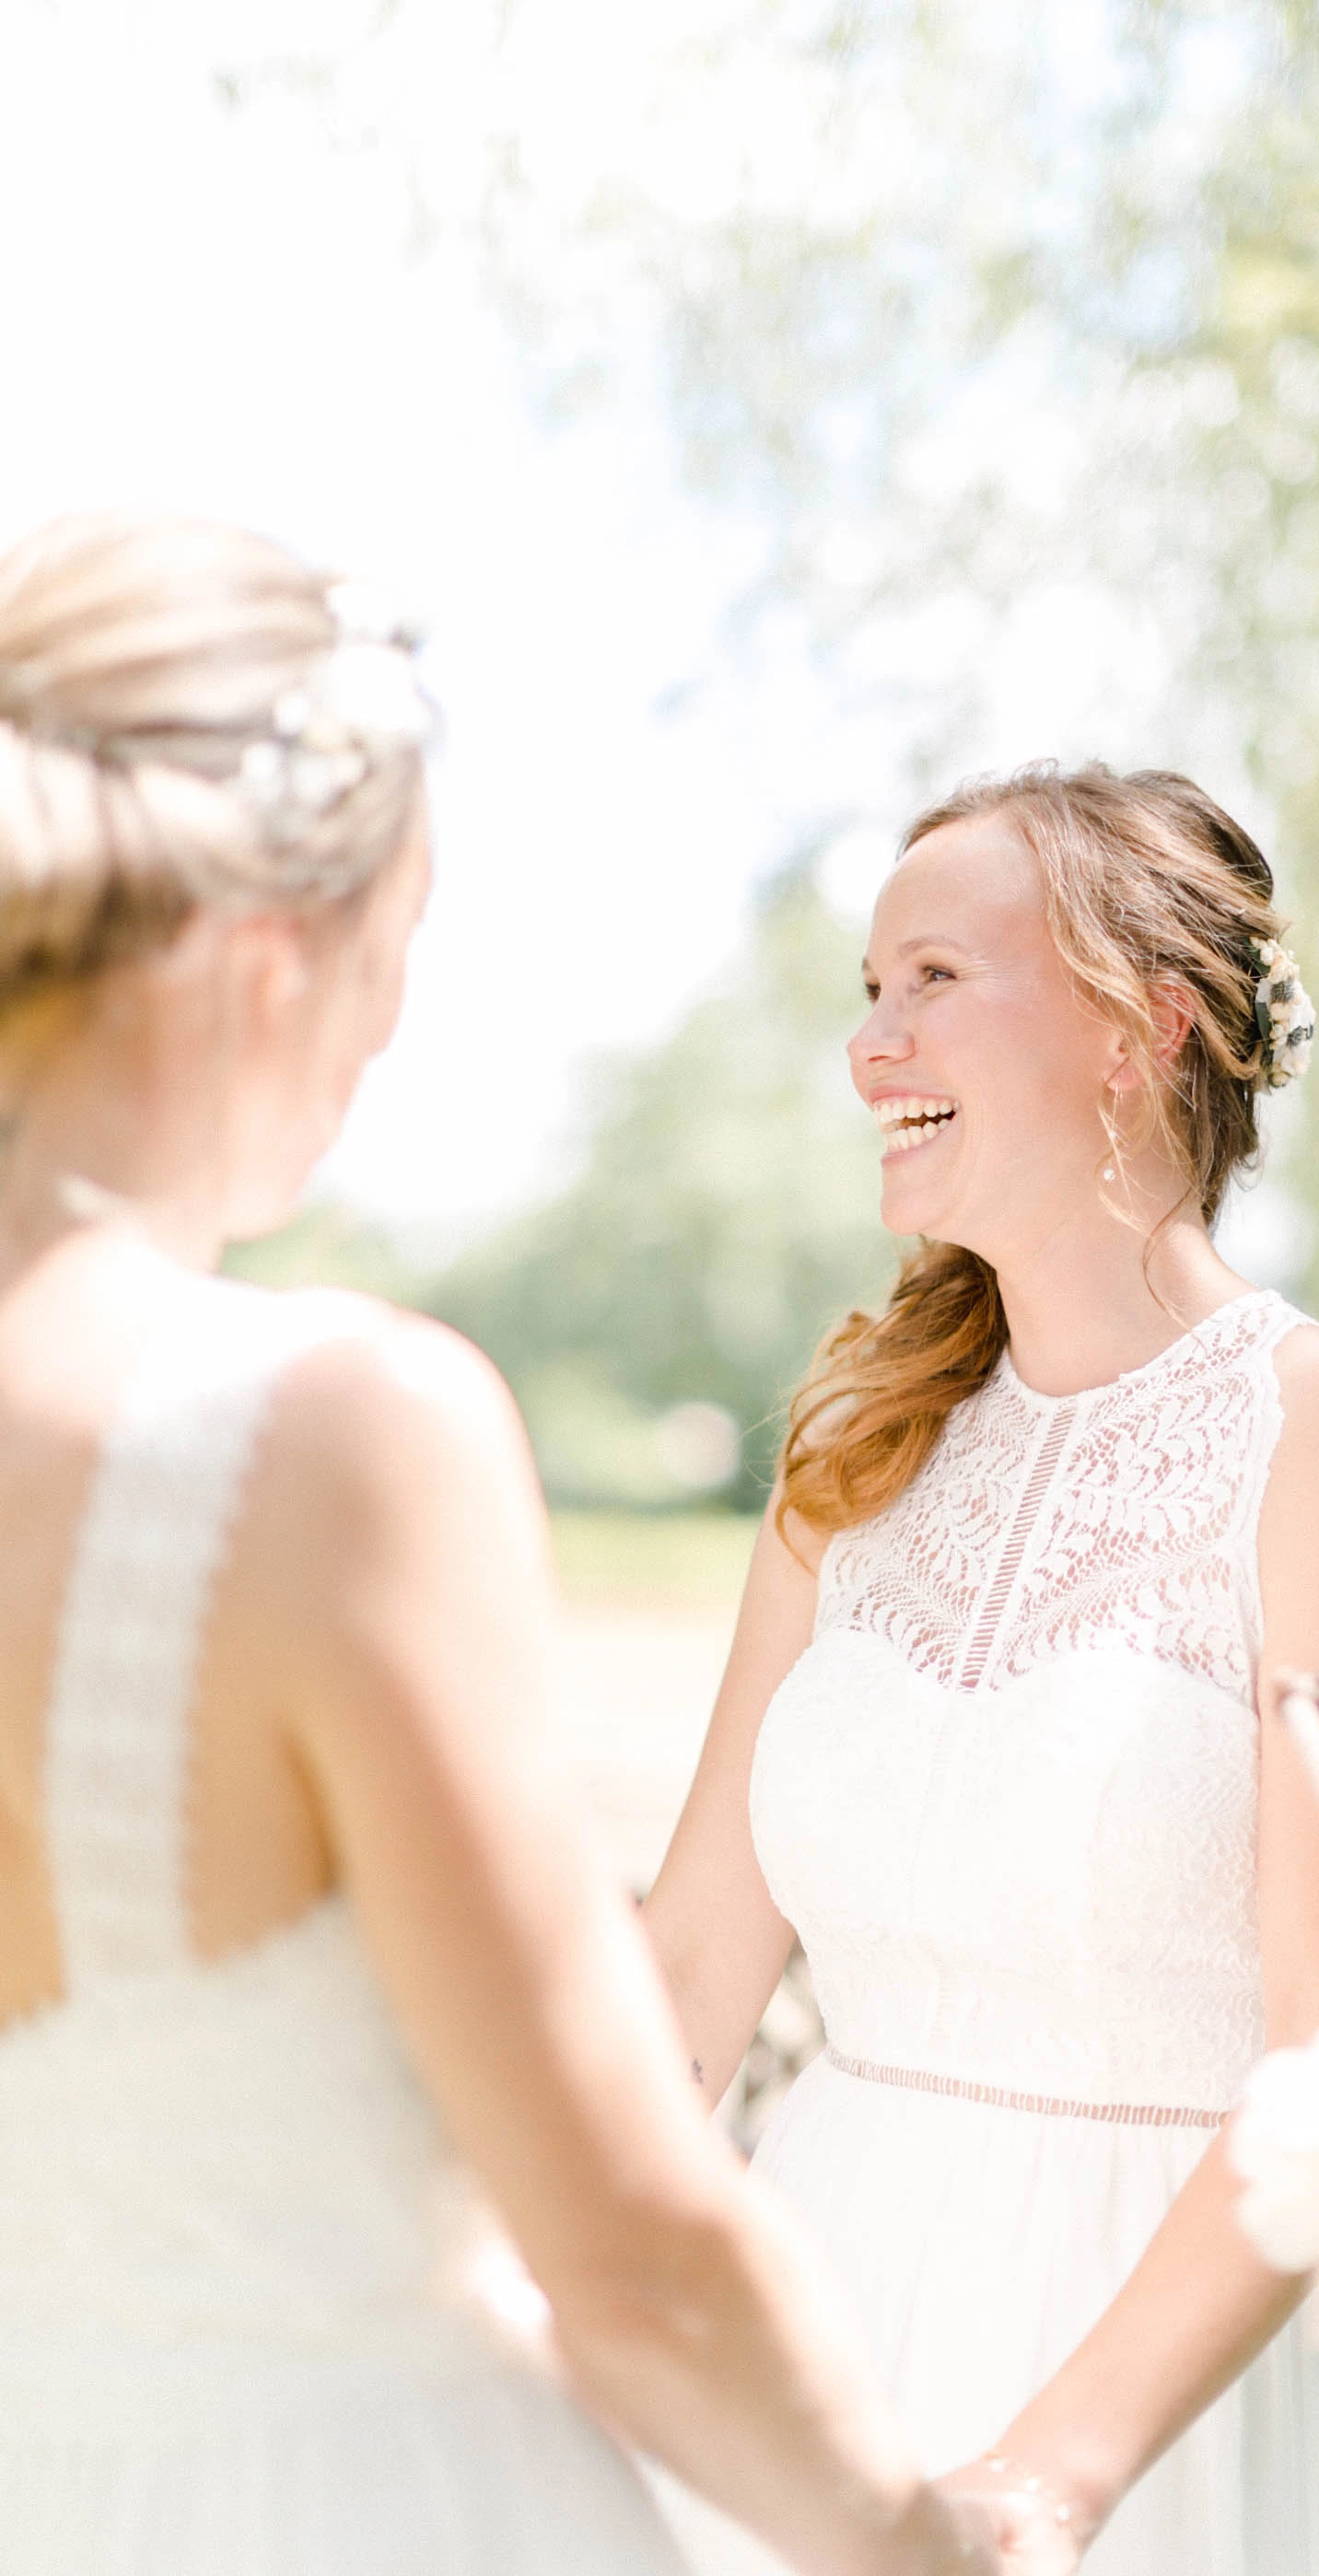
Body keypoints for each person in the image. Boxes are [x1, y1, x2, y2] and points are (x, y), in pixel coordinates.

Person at [0, 513, 997, 2576]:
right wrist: (918, 2553)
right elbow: (629, 2255)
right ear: (267, 957)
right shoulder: (324, 1438)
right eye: (398, 964)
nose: (379, 1054)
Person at [646, 763, 1319, 2573]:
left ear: (1139, 1028)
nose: (872, 1049)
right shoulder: (850, 1457)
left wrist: (1049, 2478)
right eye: (866, 994)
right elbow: (693, 1977)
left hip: (1152, 2415)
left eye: (932, 979)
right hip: (813, 2354)